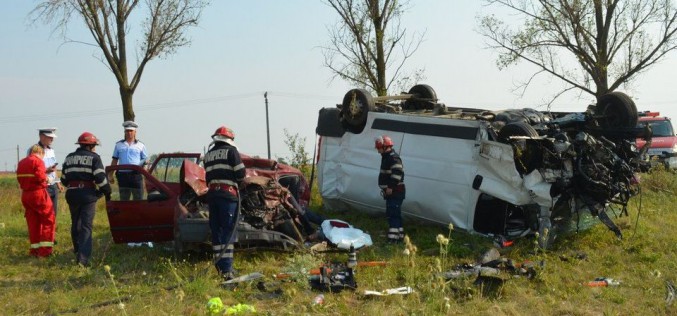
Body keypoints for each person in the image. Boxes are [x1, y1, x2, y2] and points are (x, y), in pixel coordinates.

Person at [61, 132, 111, 267]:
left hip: (71, 194)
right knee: (86, 226)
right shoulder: (94, 158)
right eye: (94, 146)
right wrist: (106, 191)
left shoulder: (68, 158)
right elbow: (100, 178)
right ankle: (83, 260)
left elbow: (64, 180)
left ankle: (77, 250)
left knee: (75, 223)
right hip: (87, 195)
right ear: (90, 146)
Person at [203, 126, 246, 281]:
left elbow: (207, 177)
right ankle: (227, 269)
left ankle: (220, 266)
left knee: (217, 230)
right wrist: (240, 184)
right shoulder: (232, 152)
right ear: (230, 139)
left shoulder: (208, 155)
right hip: (228, 196)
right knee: (229, 231)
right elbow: (241, 174)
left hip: (213, 195)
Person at [16, 145, 55, 257]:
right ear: (41, 153)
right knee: (48, 220)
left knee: (33, 222)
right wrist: (49, 179)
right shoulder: (38, 161)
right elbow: (40, 178)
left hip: (26, 194)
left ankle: (35, 250)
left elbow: (21, 178)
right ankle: (45, 251)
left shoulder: (22, 162)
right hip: (38, 193)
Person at [375, 135, 406, 243]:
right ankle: (400, 237)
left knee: (393, 215)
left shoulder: (393, 158)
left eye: (379, 148)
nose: (378, 151)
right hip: (392, 193)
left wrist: (391, 187)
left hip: (395, 192)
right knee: (394, 214)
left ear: (384, 147)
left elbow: (397, 173)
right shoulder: (387, 157)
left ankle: (393, 240)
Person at [109, 121, 148, 200]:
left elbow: (145, 161)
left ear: (135, 132)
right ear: (124, 132)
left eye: (131, 131)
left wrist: (146, 176)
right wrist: (110, 175)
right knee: (124, 200)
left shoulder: (141, 145)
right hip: (123, 176)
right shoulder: (118, 145)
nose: (129, 133)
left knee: (138, 200)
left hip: (136, 176)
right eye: (127, 131)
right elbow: (114, 161)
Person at [31, 128, 65, 216]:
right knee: (43, 212)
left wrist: (58, 184)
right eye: (50, 137)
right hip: (42, 186)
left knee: (53, 213)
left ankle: (52, 230)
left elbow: (54, 169)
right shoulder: (34, 150)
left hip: (53, 186)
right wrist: (46, 170)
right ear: (41, 136)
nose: (52, 139)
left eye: (52, 137)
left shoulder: (51, 150)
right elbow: (32, 170)